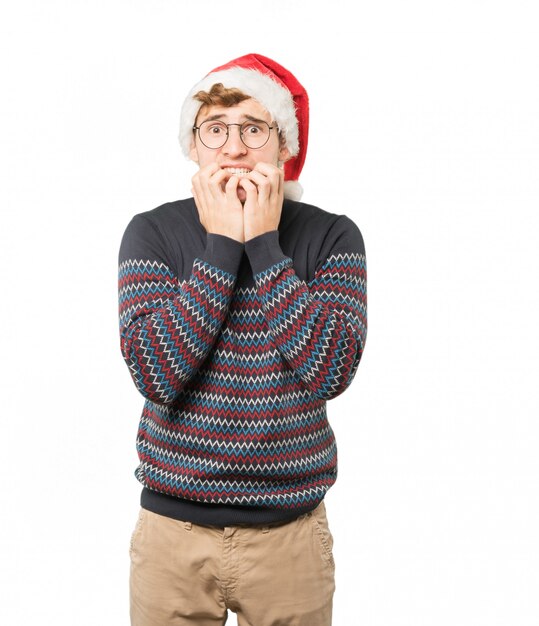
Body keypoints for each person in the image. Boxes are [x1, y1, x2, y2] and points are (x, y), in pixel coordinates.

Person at [118, 53, 367, 626]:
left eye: (253, 129)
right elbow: (155, 372)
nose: (233, 148)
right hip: (171, 537)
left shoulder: (332, 235)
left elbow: (332, 370)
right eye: (216, 129)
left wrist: (264, 245)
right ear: (194, 145)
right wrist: (221, 246)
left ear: (284, 146)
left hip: (291, 537)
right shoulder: (152, 232)